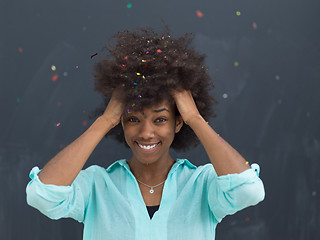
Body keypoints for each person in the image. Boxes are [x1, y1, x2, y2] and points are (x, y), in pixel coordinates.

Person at [26, 24, 265, 240]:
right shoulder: (97, 186)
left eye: (160, 119)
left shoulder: (202, 185)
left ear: (178, 124)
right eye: (133, 119)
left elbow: (248, 190)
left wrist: (195, 118)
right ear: (122, 122)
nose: (146, 132)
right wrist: (106, 119)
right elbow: (42, 194)